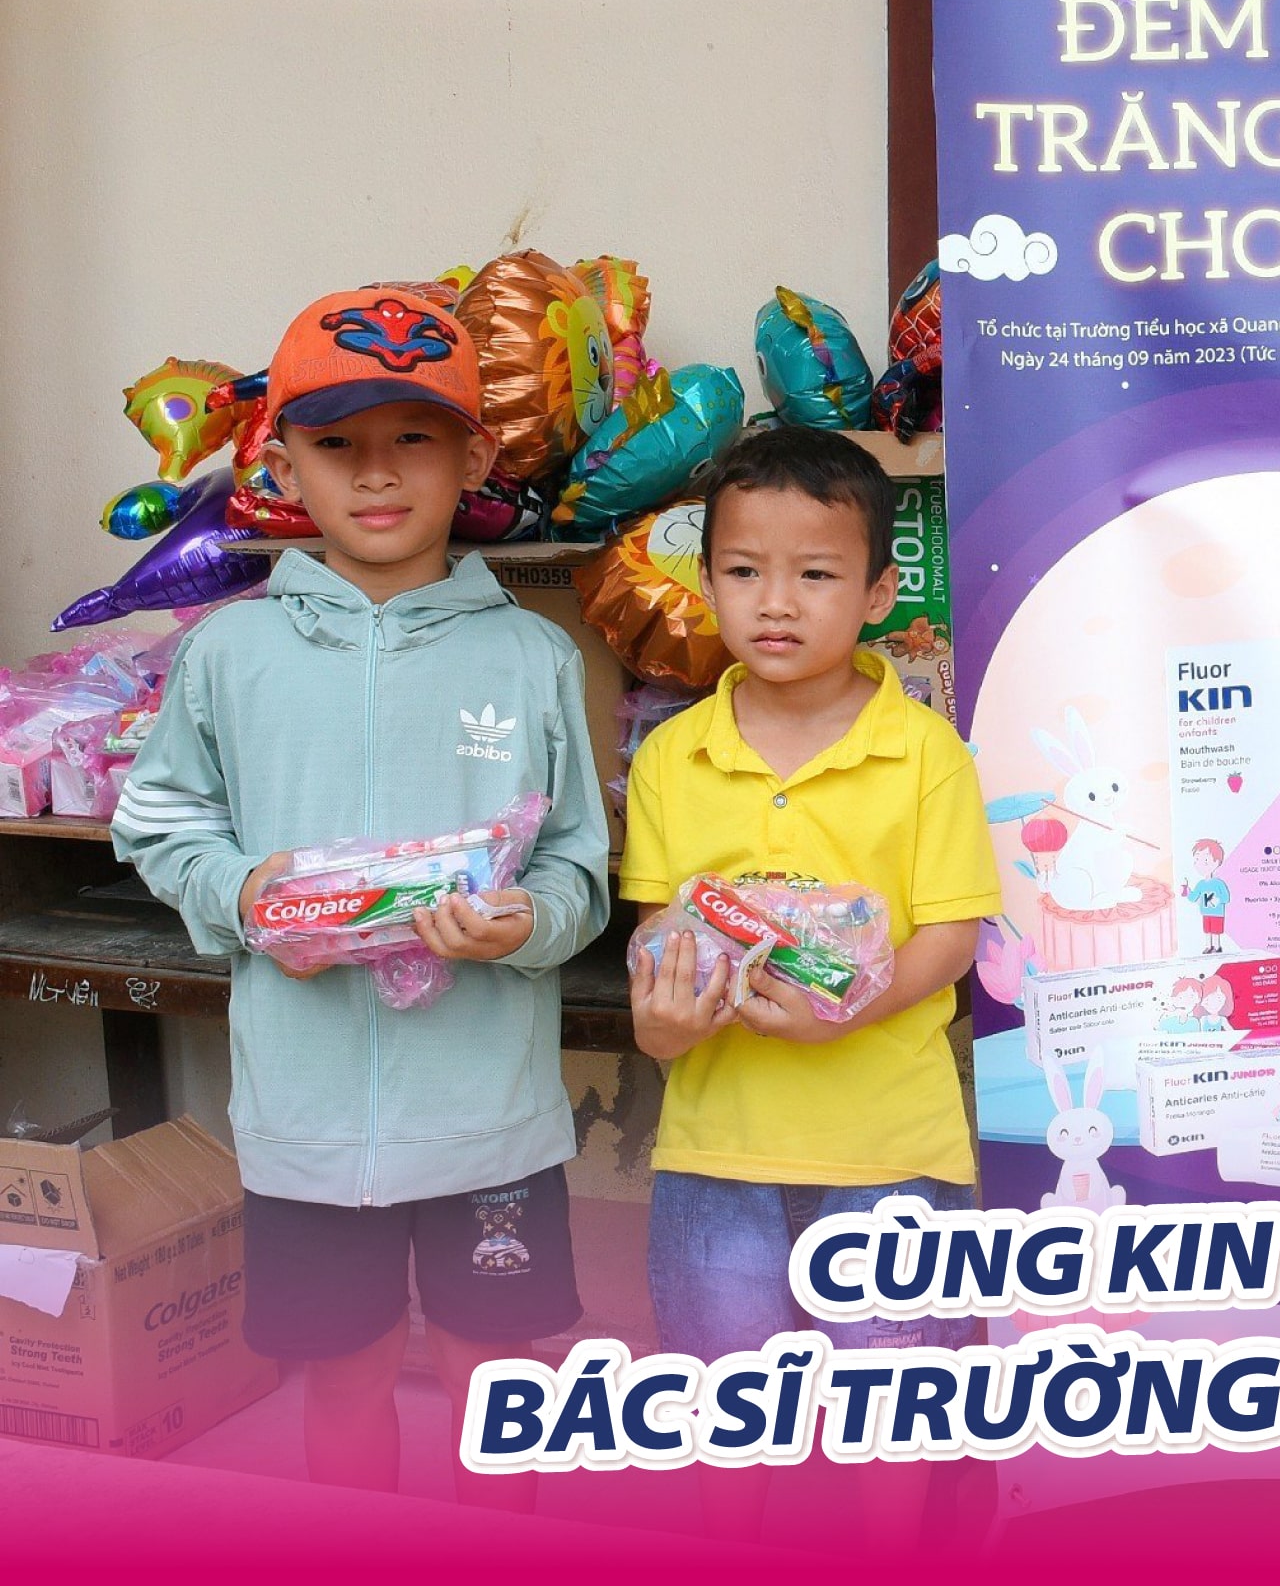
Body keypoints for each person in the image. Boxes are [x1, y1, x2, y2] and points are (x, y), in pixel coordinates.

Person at [113, 288, 610, 1510]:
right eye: (336, 442)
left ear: (474, 458)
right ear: (282, 466)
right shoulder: (230, 651)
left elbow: (578, 866)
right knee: (340, 1376)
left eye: (413, 437)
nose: (376, 473)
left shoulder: (531, 655)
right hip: (307, 1119)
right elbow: (161, 820)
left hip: (488, 1118)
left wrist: (528, 924)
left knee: (497, 1376)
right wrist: (247, 893)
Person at [621, 425, 1001, 1546]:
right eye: (744, 570)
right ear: (706, 582)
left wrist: (851, 1008)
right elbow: (659, 940)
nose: (776, 602)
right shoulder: (672, 755)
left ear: (879, 592)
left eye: (817, 574)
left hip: (890, 1150)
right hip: (716, 1150)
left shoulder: (925, 751)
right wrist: (663, 1022)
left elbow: (952, 935)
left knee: (889, 1404)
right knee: (726, 1400)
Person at [1183, 836, 1231, 951]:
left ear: (1216, 862)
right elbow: (1193, 897)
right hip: (1205, 912)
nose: (1200, 864)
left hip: (1217, 913)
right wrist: (1186, 890)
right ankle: (1208, 946)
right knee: (1207, 930)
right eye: (1197, 860)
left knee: (1216, 931)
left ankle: (1217, 946)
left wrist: (1217, 899)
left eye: (1205, 860)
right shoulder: (1200, 884)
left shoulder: (1218, 883)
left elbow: (1226, 898)